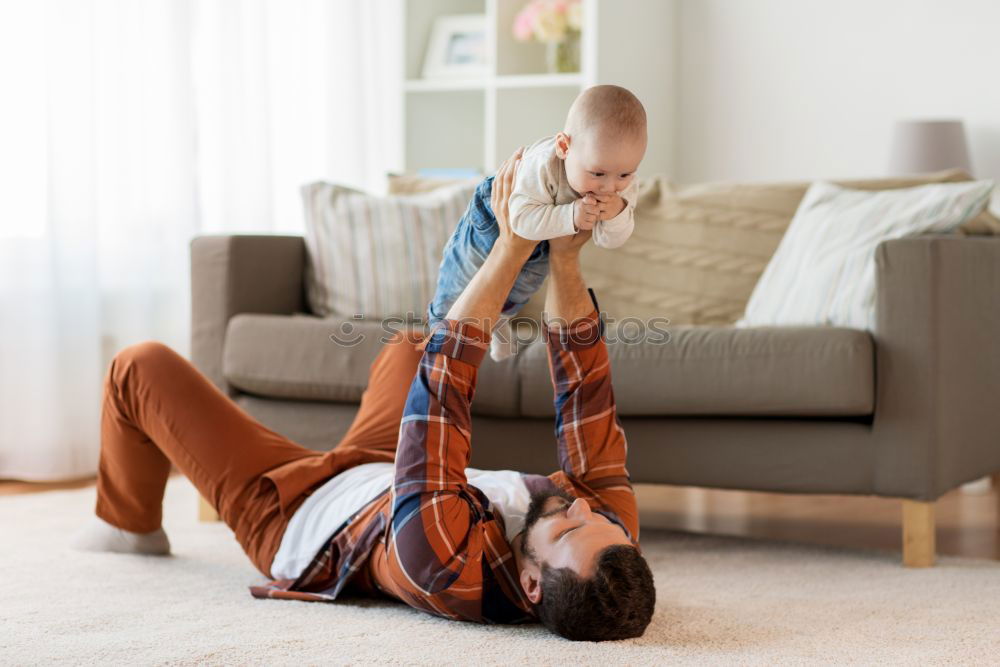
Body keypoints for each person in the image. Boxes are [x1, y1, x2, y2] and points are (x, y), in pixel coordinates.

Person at [71, 148, 656, 641]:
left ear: (531, 586)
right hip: (385, 474)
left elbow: (444, 390)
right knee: (409, 344)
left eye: (570, 529)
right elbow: (586, 393)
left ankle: (128, 527)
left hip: (301, 514)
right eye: (598, 520)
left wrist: (510, 244)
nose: (579, 506)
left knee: (137, 365)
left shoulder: (444, 564)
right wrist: (565, 253)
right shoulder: (604, 530)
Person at [427, 84, 647, 361]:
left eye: (625, 175)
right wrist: (571, 216)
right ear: (564, 147)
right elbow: (520, 223)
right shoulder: (541, 165)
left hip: (547, 232)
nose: (609, 187)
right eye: (598, 173)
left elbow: (609, 239)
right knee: (460, 292)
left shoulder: (620, 186)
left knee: (515, 293)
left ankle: (499, 321)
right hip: (498, 221)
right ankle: (436, 338)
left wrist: (616, 214)